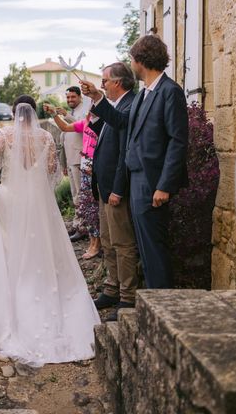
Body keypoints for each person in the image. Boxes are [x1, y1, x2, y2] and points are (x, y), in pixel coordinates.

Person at [0, 96, 100, 366]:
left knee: (9, 248)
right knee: (42, 249)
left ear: (14, 113)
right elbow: (52, 171)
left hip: (11, 198)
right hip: (38, 202)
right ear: (34, 113)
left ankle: (11, 305)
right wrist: (40, 185)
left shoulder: (5, 134)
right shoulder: (46, 137)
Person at [81, 35, 188, 288]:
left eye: (132, 59)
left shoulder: (169, 91)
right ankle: (151, 303)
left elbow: (177, 141)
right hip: (137, 180)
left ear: (142, 60)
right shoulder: (143, 95)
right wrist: (98, 97)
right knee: (145, 248)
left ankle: (162, 306)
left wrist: (165, 185)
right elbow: (122, 124)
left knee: (155, 248)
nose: (131, 64)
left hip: (153, 183)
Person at [88, 62, 139, 322]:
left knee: (123, 244)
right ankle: (111, 288)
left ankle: (128, 296)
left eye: (105, 80)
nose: (102, 85)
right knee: (108, 242)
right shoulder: (117, 107)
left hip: (116, 190)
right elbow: (105, 132)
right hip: (105, 188)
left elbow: (123, 154)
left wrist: (118, 189)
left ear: (118, 82)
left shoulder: (130, 105)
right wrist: (96, 108)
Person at [48, 106, 103, 259]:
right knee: (87, 207)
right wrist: (54, 114)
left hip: (96, 169)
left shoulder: (103, 123)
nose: (90, 109)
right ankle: (93, 242)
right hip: (85, 168)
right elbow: (65, 127)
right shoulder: (85, 122)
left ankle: (97, 244)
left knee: (94, 207)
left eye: (93, 105)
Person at [58, 86, 89, 241]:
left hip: (79, 158)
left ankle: (83, 227)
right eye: (68, 97)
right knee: (74, 194)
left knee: (81, 195)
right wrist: (63, 162)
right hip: (70, 160)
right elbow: (64, 138)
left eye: (73, 97)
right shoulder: (71, 113)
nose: (70, 100)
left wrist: (65, 115)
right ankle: (77, 224)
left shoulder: (84, 111)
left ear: (80, 97)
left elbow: (83, 127)